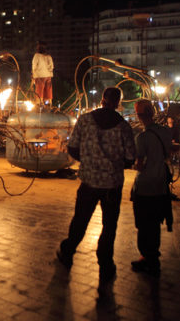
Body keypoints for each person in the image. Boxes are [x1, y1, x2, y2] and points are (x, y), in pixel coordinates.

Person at [56, 87, 135, 283]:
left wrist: (88, 160)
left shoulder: (85, 120)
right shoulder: (124, 126)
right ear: (118, 103)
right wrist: (114, 164)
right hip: (112, 185)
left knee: (80, 220)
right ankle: (105, 262)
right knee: (109, 225)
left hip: (89, 181)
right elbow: (130, 158)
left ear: (102, 99)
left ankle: (68, 251)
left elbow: (72, 148)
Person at [130, 99, 173, 277]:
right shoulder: (166, 132)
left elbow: (139, 164)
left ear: (140, 116)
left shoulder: (142, 137)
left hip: (145, 186)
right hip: (161, 184)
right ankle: (153, 257)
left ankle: (146, 257)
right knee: (155, 223)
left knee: (143, 224)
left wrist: (133, 164)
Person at [32, 41, 54, 106]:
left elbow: (34, 66)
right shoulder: (49, 56)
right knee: (48, 90)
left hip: (39, 76)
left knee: (39, 90)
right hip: (48, 76)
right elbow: (52, 67)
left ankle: (39, 104)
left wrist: (33, 75)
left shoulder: (37, 56)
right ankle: (49, 103)